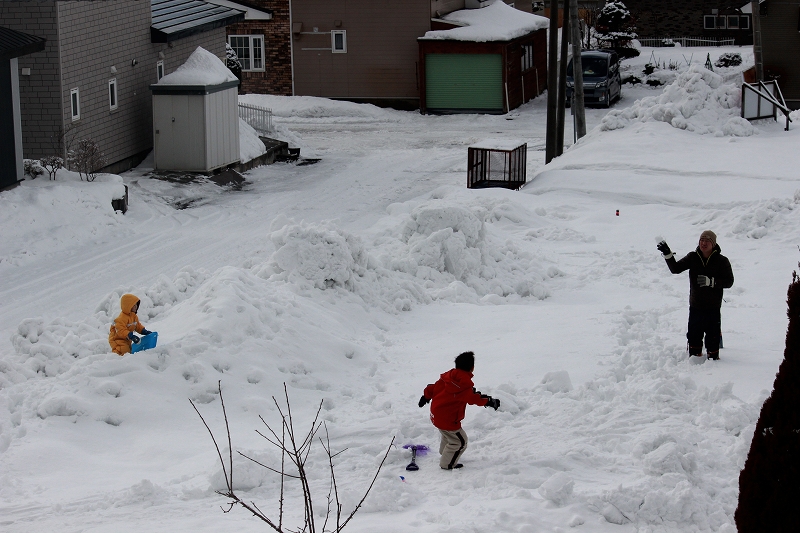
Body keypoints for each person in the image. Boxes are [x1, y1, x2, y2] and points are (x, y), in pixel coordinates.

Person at [657, 230, 734, 360]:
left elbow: (729, 281)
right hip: (696, 305)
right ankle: (695, 357)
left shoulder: (722, 261)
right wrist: (667, 254)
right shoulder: (693, 257)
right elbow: (675, 269)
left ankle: (714, 363)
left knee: (712, 338)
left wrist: (712, 282)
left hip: (713, 306)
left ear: (713, 244)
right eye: (701, 240)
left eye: (707, 241)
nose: (703, 243)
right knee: (694, 337)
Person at [418, 351, 500, 470]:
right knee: (460, 442)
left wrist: (425, 396)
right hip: (449, 420)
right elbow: (473, 398)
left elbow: (432, 387)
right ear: (472, 368)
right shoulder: (463, 386)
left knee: (447, 435)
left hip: (436, 416)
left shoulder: (447, 378)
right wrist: (489, 401)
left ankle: (445, 453)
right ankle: (447, 464)